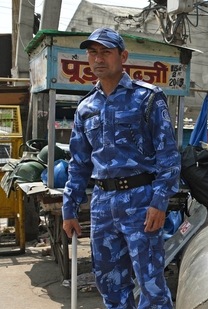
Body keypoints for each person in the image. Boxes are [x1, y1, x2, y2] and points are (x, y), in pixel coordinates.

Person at [62, 28, 180, 309]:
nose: (98, 59)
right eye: (92, 52)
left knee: (151, 285)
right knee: (110, 286)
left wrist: (159, 202)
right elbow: (78, 163)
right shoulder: (85, 108)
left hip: (141, 201)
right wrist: (69, 208)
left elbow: (168, 156)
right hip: (102, 204)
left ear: (123, 56)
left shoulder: (148, 98)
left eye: (105, 52)